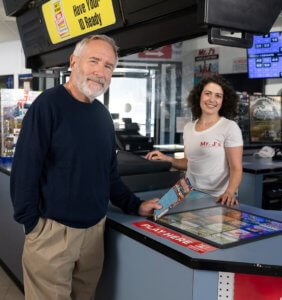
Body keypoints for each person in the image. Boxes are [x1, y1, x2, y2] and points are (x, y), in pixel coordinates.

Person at [10, 34, 161, 300]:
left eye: (108, 66)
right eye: (94, 61)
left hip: (94, 233)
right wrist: (32, 225)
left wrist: (135, 205)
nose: (100, 71)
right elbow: (25, 171)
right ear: (73, 62)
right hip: (52, 233)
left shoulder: (102, 116)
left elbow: (109, 175)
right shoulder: (48, 105)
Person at [146, 74, 243, 206]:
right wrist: (167, 159)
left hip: (217, 197)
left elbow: (236, 168)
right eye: (208, 93)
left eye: (218, 96)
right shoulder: (188, 128)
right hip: (188, 193)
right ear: (199, 96)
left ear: (223, 101)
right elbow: (189, 163)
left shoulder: (229, 127)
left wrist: (230, 192)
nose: (212, 99)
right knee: (155, 213)